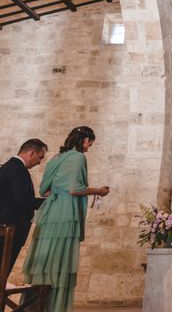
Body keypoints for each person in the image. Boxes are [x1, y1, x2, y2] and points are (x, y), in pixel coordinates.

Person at [22, 126, 110, 312]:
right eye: (89, 145)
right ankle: (54, 307)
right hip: (66, 214)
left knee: (45, 262)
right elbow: (74, 190)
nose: (88, 148)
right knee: (60, 261)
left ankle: (34, 307)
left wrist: (59, 192)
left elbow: (44, 191)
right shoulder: (78, 158)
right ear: (85, 141)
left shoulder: (56, 158)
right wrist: (98, 191)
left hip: (49, 213)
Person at [0, 138, 47, 275]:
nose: (39, 162)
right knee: (2, 273)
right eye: (40, 157)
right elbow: (22, 200)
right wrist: (50, 203)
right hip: (10, 230)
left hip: (5, 228)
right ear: (32, 152)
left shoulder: (8, 167)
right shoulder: (17, 169)